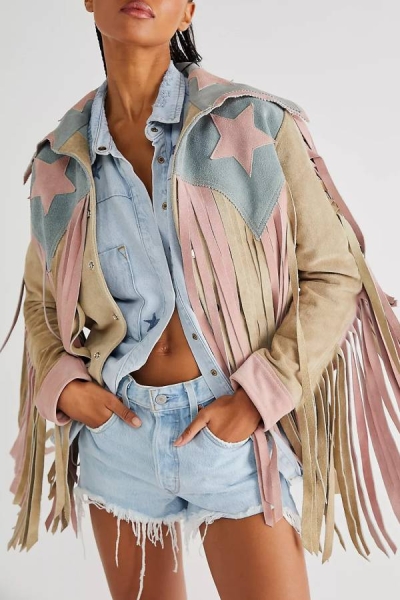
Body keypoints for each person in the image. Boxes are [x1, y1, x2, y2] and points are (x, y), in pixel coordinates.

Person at [4, 1, 400, 599]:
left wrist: (261, 396)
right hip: (118, 433)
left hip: (231, 432)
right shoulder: (60, 156)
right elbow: (41, 299)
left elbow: (334, 273)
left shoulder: (255, 123)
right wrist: (66, 386)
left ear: (187, 10)